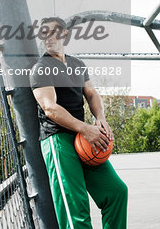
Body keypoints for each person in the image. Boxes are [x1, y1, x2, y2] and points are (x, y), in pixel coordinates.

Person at [30, 17, 128, 229]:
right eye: (43, 33)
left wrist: (100, 119)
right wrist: (85, 128)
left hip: (82, 137)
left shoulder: (77, 64)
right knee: (76, 207)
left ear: (64, 35)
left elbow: (91, 94)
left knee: (116, 192)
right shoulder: (41, 67)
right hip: (57, 139)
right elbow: (50, 108)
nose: (48, 37)